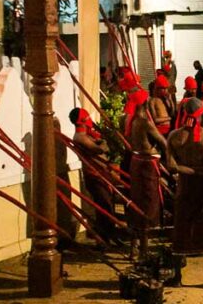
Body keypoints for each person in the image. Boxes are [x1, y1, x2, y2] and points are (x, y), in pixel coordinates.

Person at [166, 98, 203, 288]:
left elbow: (171, 166)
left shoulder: (174, 136)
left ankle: (177, 277)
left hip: (184, 186)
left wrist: (187, 170)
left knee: (181, 228)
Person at [125, 89, 167, 261]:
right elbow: (163, 142)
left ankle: (134, 248)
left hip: (137, 163)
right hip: (147, 166)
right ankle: (143, 250)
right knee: (147, 205)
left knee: (137, 203)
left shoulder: (132, 120)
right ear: (145, 103)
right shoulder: (144, 122)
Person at [69, 107, 116, 243]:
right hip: (94, 175)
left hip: (101, 173)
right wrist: (103, 143)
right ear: (82, 120)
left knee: (108, 204)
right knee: (104, 207)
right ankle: (103, 239)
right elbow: (100, 149)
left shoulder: (87, 135)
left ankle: (108, 236)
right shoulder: (80, 137)